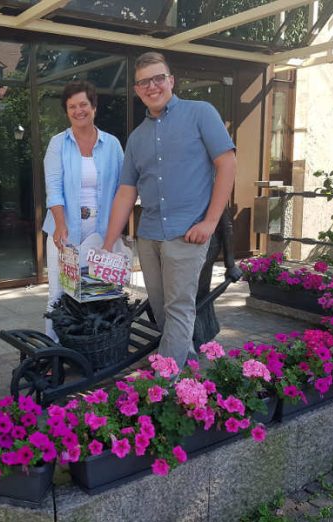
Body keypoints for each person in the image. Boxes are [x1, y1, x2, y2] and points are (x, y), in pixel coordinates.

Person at [102, 52, 237, 371]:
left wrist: (210, 221)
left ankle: (161, 385)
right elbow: (126, 191)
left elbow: (227, 163)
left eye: (158, 78)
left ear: (171, 81)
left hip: (187, 234)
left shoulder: (201, 113)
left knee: (179, 309)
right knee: (161, 310)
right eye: (144, 82)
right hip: (149, 237)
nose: (152, 86)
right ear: (137, 90)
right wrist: (109, 242)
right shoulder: (136, 138)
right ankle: (187, 365)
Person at [43, 80, 124, 341]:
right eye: (72, 106)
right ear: (66, 111)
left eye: (83, 104)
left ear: (94, 107)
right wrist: (59, 224)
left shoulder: (112, 144)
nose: (79, 111)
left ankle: (95, 347)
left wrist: (115, 234)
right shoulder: (58, 144)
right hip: (64, 229)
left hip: (102, 230)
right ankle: (54, 351)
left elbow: (124, 190)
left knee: (99, 292)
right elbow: (53, 186)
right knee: (58, 293)